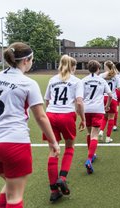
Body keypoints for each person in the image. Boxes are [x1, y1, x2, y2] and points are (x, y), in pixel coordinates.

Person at [0, 42, 60, 207]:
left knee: (9, 186)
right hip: (14, 142)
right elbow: (40, 116)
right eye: (32, 59)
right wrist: (53, 141)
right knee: (15, 196)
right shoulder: (28, 83)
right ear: (26, 60)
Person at [44, 55, 85, 202]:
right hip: (66, 115)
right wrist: (83, 119)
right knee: (69, 147)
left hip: (50, 114)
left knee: (53, 150)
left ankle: (54, 191)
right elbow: (79, 102)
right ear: (73, 67)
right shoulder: (76, 81)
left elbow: (47, 100)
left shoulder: (52, 79)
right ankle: (62, 178)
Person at [82, 60, 112, 174]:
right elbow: (109, 95)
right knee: (95, 135)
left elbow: (79, 97)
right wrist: (107, 106)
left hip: (86, 109)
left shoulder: (83, 80)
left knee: (89, 133)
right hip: (97, 109)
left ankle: (91, 154)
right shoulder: (101, 80)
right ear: (98, 69)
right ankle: (89, 159)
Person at [98, 61, 120, 143]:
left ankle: (101, 131)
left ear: (106, 66)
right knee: (111, 118)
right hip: (112, 98)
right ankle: (108, 137)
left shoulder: (101, 75)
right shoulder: (116, 76)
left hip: (103, 98)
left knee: (104, 117)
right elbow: (119, 88)